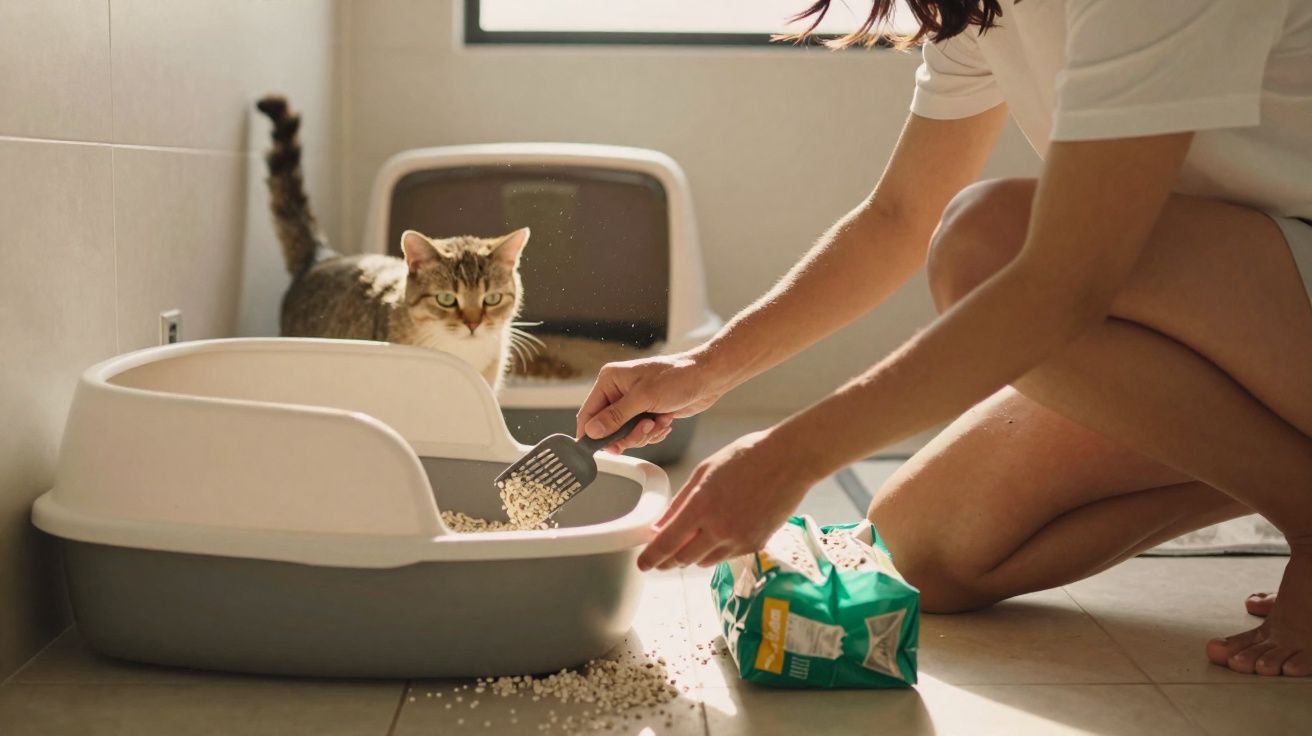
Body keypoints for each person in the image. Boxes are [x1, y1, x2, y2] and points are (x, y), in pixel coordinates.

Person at [574, 0, 1312, 677]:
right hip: (1250, 313)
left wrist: (790, 455)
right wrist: (702, 371)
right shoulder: (984, 7)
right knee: (926, 549)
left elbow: (1064, 284)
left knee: (986, 244)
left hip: (1276, 293)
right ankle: (1278, 463)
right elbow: (898, 217)